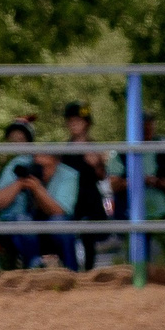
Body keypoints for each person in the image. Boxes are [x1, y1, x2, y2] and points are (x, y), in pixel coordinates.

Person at [0, 121, 74, 269]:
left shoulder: (68, 175)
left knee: (61, 224)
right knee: (23, 222)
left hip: (51, 227)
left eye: (45, 167)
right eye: (37, 165)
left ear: (57, 163)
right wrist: (19, 183)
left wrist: (37, 189)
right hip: (23, 227)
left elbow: (59, 212)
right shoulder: (21, 165)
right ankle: (34, 268)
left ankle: (72, 272)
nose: (40, 170)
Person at [60, 102, 115, 268]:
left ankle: (89, 271)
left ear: (87, 123)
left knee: (88, 235)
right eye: (71, 120)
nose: (75, 124)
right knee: (69, 235)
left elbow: (103, 176)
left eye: (79, 120)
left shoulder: (94, 147)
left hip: (90, 199)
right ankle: (71, 269)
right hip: (71, 200)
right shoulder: (66, 149)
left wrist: (97, 164)